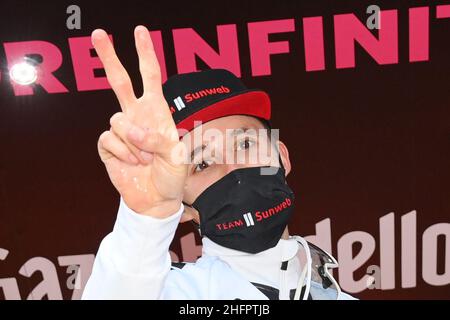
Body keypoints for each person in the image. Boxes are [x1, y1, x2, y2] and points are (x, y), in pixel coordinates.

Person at [82, 25, 355, 300]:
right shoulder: (176, 294)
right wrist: (147, 217)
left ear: (281, 156)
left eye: (245, 144)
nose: (233, 167)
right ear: (181, 207)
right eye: (202, 163)